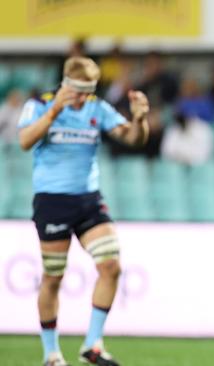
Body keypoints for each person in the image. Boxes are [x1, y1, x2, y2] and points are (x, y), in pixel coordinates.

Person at [18, 56, 150, 366]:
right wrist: (54, 112)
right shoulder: (39, 105)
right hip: (52, 200)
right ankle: (51, 353)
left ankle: (93, 344)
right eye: (77, 91)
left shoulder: (97, 108)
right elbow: (24, 140)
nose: (82, 98)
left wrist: (140, 119)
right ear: (64, 84)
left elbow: (132, 139)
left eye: (88, 91)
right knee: (53, 277)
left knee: (111, 266)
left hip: (88, 199)